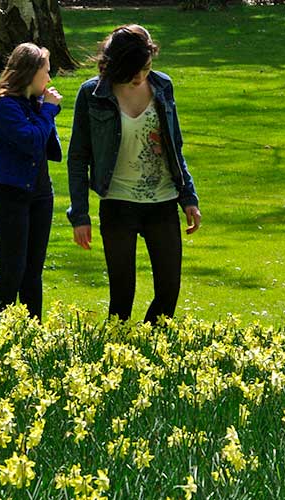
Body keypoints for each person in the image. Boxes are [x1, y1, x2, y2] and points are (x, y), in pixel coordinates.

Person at [66, 24, 201, 323]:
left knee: (169, 291)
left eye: (146, 67)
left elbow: (175, 147)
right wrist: (80, 214)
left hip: (163, 201)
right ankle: (117, 358)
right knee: (121, 297)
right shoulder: (92, 94)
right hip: (117, 203)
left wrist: (188, 198)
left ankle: (149, 353)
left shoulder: (163, 86)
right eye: (134, 71)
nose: (141, 76)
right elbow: (77, 157)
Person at [0, 42, 63, 320]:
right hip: (9, 192)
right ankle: (1, 327)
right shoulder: (4, 105)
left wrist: (44, 108)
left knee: (33, 272)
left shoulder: (33, 104)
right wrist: (48, 112)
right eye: (46, 72)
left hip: (40, 193)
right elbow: (30, 141)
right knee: (13, 268)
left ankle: (33, 330)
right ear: (30, 73)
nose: (50, 79)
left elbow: (51, 149)